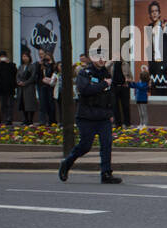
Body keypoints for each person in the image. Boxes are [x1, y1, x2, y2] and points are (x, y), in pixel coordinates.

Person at [59, 53, 121, 184]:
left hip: (103, 116)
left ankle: (106, 173)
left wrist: (111, 113)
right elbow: (85, 89)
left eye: (103, 57)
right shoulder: (85, 73)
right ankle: (66, 163)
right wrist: (103, 84)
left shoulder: (106, 74)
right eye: (98, 58)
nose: (101, 60)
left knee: (106, 144)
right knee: (85, 146)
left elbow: (111, 96)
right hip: (86, 116)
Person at [0, 52, 18, 124]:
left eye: (4, 56)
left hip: (10, 88)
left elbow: (15, 72)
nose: (3, 58)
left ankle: (10, 119)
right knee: (3, 105)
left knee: (10, 105)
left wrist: (9, 63)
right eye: (1, 57)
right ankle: (5, 118)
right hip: (2, 88)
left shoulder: (12, 64)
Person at [17, 50, 40, 124]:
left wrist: (25, 83)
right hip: (21, 88)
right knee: (23, 104)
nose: (24, 58)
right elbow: (17, 76)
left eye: (26, 56)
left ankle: (30, 120)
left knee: (30, 104)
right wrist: (19, 82)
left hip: (29, 87)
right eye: (23, 56)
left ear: (29, 57)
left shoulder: (32, 66)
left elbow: (33, 77)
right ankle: (25, 119)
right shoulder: (20, 66)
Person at [37, 50, 58, 125]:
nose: (46, 59)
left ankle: (52, 120)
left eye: (47, 57)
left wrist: (49, 80)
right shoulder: (43, 65)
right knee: (44, 104)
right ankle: (46, 120)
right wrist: (41, 65)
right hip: (43, 86)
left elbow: (55, 75)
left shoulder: (53, 65)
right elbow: (39, 75)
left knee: (51, 103)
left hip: (51, 86)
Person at [111, 57, 131, 127]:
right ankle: (118, 124)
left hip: (123, 86)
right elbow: (105, 69)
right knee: (115, 106)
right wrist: (111, 62)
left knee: (125, 105)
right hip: (114, 86)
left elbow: (130, 76)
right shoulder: (111, 64)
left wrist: (128, 80)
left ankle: (127, 123)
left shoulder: (125, 64)